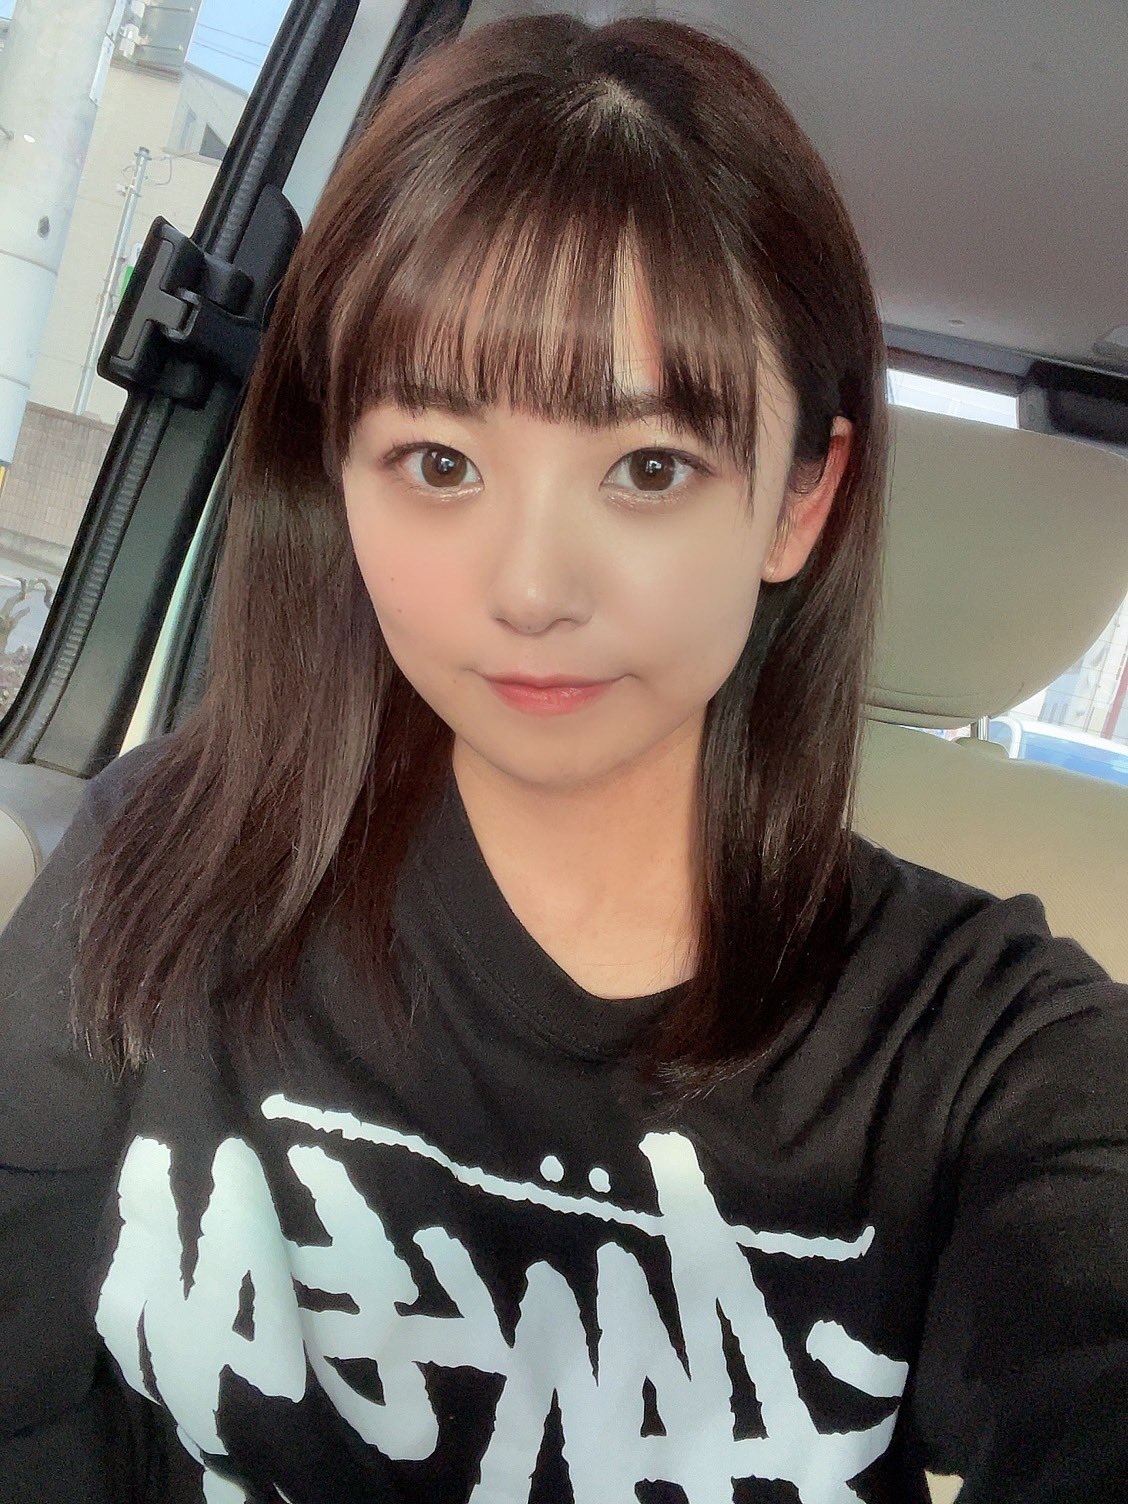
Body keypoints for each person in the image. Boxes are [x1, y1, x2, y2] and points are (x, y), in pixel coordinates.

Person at [1, 14, 1124, 1504]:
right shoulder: (170, 855)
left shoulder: (977, 1049)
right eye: (439, 463)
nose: (531, 588)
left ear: (800, 499)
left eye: (649, 468)